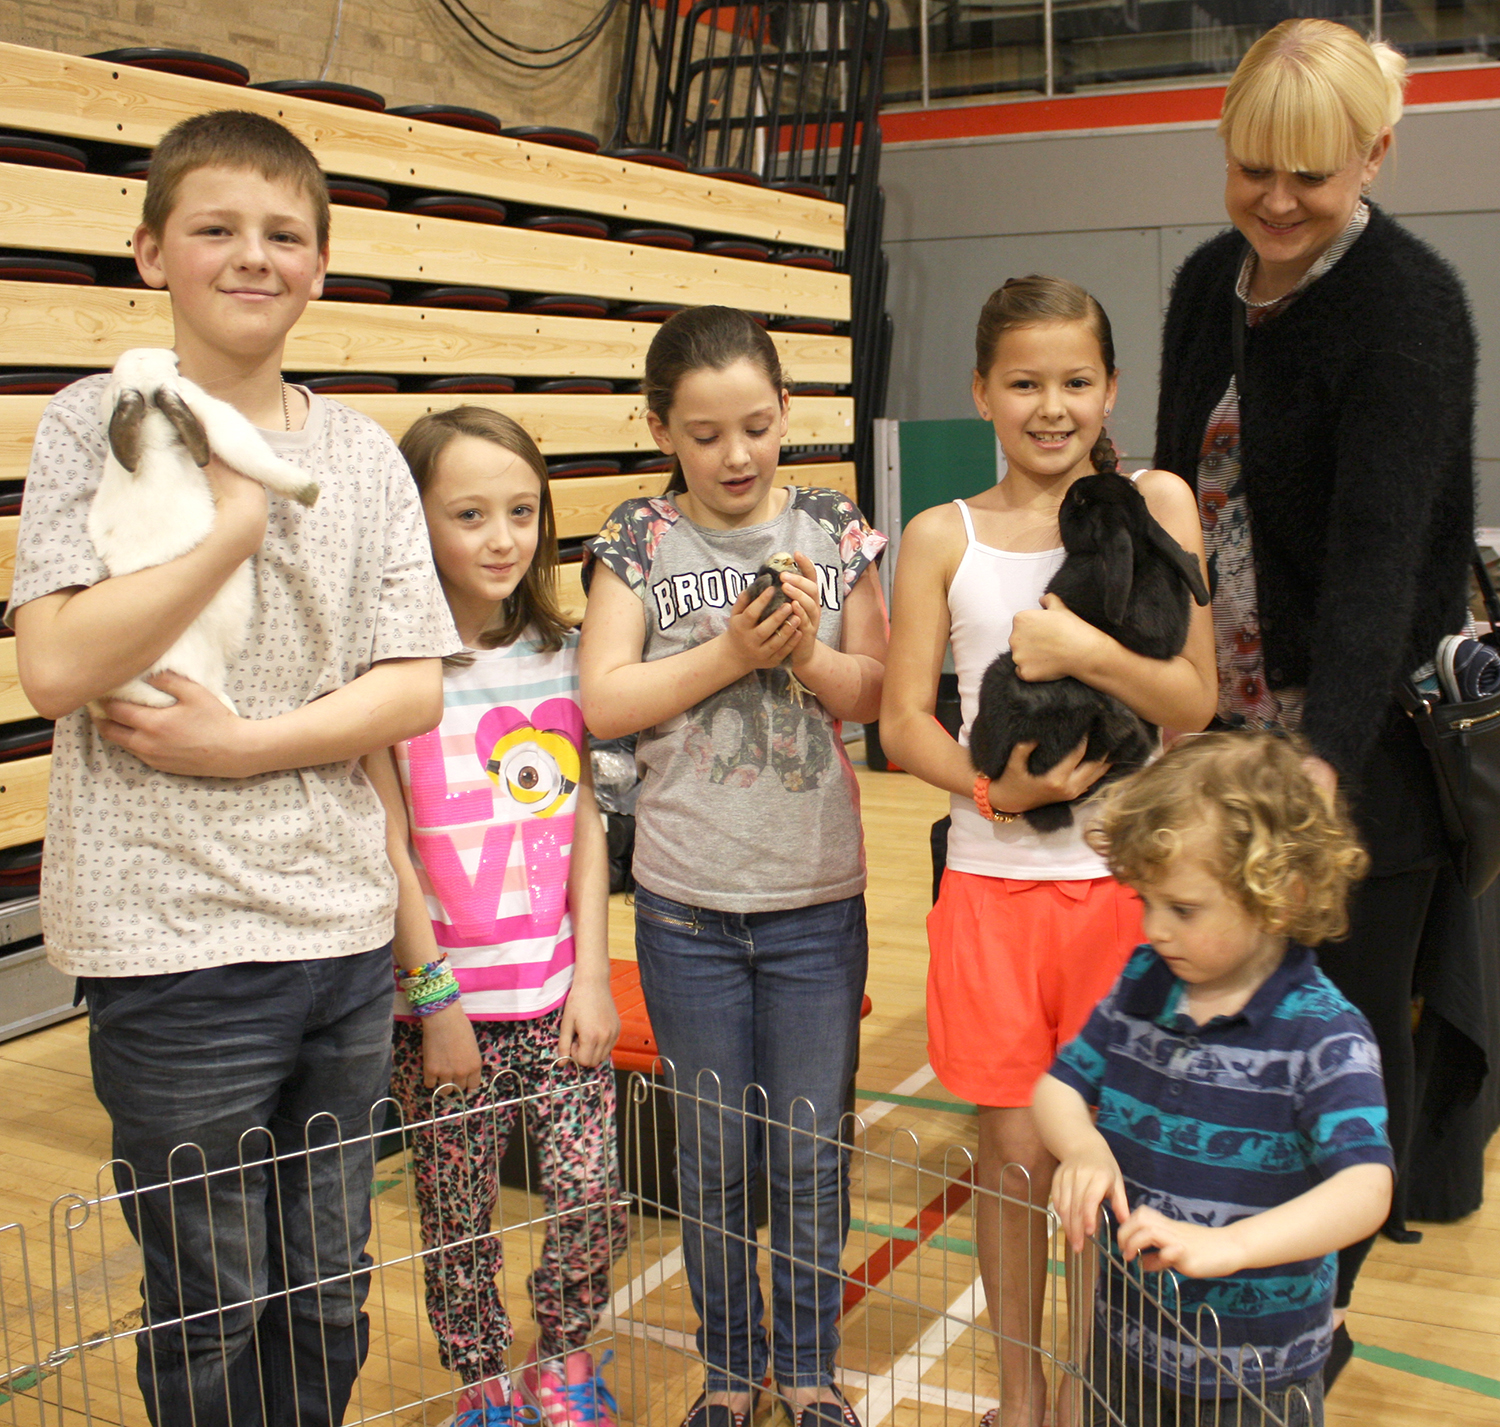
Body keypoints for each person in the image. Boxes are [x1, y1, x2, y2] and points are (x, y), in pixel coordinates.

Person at [7, 112, 461, 1427]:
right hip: (172, 947)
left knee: (324, 1286)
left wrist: (243, 743)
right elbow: (53, 666)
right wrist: (234, 524)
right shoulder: (92, 423)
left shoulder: (368, 455)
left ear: (320, 263)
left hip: (337, 935)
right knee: (209, 1300)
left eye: (283, 234)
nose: (251, 256)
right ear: (150, 250)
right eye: (215, 228)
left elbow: (413, 684)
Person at [1153, 19, 1480, 1378]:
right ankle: (1223, 1263)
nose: (1278, 202)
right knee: (1218, 1025)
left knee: (1340, 1045)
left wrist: (1322, 765)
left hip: (1361, 756)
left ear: (1376, 154)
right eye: (1253, 170)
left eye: (1313, 175)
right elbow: (1175, 503)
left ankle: (1313, 1315)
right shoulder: (1199, 287)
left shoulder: (1407, 303)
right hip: (1220, 740)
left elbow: (1380, 559)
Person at [878, 276, 1216, 1427]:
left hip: (1127, 894)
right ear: (981, 390)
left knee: (1105, 1156)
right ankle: (1023, 1394)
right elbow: (902, 721)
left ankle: (1087, 1390)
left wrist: (1083, 646)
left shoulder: (1156, 500)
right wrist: (993, 788)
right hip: (990, 886)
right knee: (1015, 1156)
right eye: (1024, 382)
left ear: (1112, 387)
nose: (1052, 405)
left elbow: (1195, 696)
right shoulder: (942, 534)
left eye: (1076, 381)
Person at [577, 306, 887, 1427]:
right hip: (687, 907)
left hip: (814, 901)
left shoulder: (836, 527)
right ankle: (726, 1371)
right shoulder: (638, 537)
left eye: (757, 425)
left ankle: (806, 1371)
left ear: (785, 412)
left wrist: (808, 653)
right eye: (706, 434)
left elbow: (878, 693)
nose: (739, 454)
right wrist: (728, 654)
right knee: (711, 1158)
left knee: (807, 1152)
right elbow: (603, 696)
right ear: (662, 428)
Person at [365, 407, 624, 1427]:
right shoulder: (395, 672)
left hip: (560, 997)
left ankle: (565, 1362)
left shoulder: (565, 654)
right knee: (458, 1218)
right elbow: (390, 845)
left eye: (521, 510)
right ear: (418, 522)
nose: (503, 536)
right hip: (445, 1016)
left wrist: (596, 974)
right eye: (470, 513)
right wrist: (434, 1003)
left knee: (590, 1195)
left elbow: (588, 815)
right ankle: (481, 1378)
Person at [1034, 731, 1395, 1427]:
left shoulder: (1322, 1033)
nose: (1155, 929)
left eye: (1184, 909)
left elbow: (1365, 1188)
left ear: (1279, 897)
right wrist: (1080, 1145)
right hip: (1127, 1352)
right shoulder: (1146, 983)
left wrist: (1232, 1245)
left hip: (1259, 1378)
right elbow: (1058, 1086)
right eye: (1147, 901)